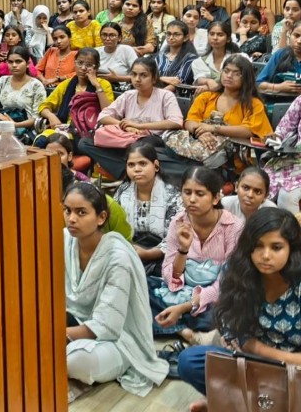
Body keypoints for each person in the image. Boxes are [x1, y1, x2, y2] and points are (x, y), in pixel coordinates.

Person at [177, 208, 301, 412]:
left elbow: (251, 346)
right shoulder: (237, 273)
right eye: (257, 246)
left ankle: (234, 403)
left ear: (292, 249)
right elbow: (230, 328)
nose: (266, 255)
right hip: (251, 363)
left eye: (276, 247)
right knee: (189, 361)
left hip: (294, 370)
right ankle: (234, 400)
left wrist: (261, 351)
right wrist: (252, 352)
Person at [62, 183, 169, 396]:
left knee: (73, 361)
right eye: (67, 210)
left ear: (101, 218)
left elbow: (108, 325)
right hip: (75, 322)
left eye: (81, 212)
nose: (71, 219)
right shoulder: (64, 239)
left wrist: (56, 337)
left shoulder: (118, 257)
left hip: (118, 340)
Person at [150, 167, 243, 339]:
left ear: (216, 198)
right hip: (180, 291)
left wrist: (185, 306)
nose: (192, 199)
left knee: (225, 313)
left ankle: (174, 324)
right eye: (187, 192)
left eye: (200, 194)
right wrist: (183, 250)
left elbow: (226, 282)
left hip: (212, 297)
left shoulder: (233, 227)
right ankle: (184, 330)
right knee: (141, 287)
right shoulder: (178, 222)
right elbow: (168, 275)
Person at [77, 58, 183, 180]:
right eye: (134, 74)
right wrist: (126, 126)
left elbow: (176, 122)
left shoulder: (165, 95)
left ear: (154, 78)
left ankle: (124, 169)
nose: (137, 79)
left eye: (143, 75)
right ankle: (125, 171)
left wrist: (139, 126)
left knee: (139, 146)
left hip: (152, 140)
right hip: (126, 138)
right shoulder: (128, 95)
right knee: (84, 143)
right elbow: (103, 116)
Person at [113, 137, 182, 276]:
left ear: (156, 166)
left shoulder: (172, 195)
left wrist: (148, 254)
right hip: (130, 249)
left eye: (142, 163)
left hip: (163, 253)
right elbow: (114, 226)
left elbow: (176, 238)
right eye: (131, 165)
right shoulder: (122, 191)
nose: (137, 169)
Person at [37, 47, 113, 133]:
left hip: (90, 132)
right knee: (42, 138)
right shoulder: (66, 84)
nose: (83, 68)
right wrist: (51, 116)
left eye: (89, 65)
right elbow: (43, 107)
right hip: (64, 129)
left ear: (97, 66)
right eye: (80, 63)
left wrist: (97, 86)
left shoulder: (103, 85)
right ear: (74, 63)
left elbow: (108, 113)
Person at [0, 45, 46, 140]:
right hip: (1, 125)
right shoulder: (3, 81)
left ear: (28, 63)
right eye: (10, 62)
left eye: (18, 61)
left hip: (26, 129)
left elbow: (36, 118)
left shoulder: (36, 85)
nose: (14, 65)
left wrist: (15, 125)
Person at [262, 92, 301, 215]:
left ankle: (290, 228)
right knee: (260, 184)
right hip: (295, 160)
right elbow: (283, 130)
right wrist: (276, 138)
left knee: (287, 196)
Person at [256, 19, 301, 97]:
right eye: (296, 36)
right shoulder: (281, 54)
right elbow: (258, 84)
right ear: (290, 34)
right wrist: (279, 87)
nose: (299, 41)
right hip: (279, 101)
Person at [192, 20, 239, 91]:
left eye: (220, 35)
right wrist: (208, 81)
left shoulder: (239, 58)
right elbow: (199, 78)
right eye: (212, 34)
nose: (215, 38)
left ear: (228, 39)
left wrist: (210, 87)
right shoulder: (199, 62)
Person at [155, 20, 197, 90]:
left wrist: (159, 94)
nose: (171, 37)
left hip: (176, 94)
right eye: (168, 34)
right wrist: (162, 78)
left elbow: (178, 82)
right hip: (154, 91)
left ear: (186, 38)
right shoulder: (159, 57)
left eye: (176, 34)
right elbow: (149, 77)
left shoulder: (190, 59)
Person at [37, 25, 77, 90]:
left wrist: (58, 79)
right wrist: (44, 80)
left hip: (66, 90)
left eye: (62, 37)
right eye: (55, 39)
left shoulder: (76, 55)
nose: (58, 41)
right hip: (47, 89)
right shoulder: (50, 51)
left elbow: (79, 73)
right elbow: (37, 69)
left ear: (69, 38)